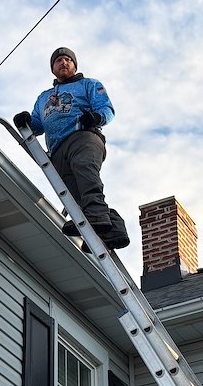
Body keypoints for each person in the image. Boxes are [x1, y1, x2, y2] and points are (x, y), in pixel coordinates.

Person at [14, 47, 130, 249]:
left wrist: (95, 117)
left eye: (68, 59)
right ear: (53, 69)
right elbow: (37, 125)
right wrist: (25, 122)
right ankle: (112, 230)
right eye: (58, 61)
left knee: (85, 171)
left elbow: (106, 109)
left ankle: (97, 219)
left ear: (74, 65)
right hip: (57, 150)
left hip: (83, 137)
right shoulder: (43, 98)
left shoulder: (89, 85)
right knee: (74, 193)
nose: (63, 63)